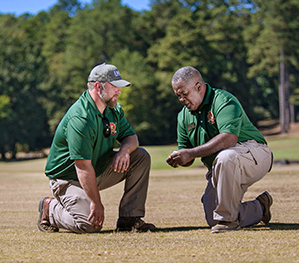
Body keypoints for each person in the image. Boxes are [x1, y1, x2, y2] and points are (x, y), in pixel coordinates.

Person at [38, 63, 156, 233]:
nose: (119, 91)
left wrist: (124, 151)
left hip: (96, 170)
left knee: (140, 157)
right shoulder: (81, 118)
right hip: (68, 179)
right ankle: (50, 210)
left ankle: (129, 218)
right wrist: (96, 203)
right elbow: (82, 167)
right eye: (115, 86)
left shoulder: (113, 109)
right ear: (98, 86)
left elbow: (131, 138)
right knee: (89, 225)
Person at [166, 66, 273, 233]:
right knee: (213, 217)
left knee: (226, 157)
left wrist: (191, 153)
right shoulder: (183, 116)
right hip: (222, 167)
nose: (181, 99)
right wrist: (180, 159)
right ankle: (260, 207)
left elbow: (230, 138)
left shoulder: (223, 100)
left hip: (254, 153)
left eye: (184, 94)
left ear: (198, 87)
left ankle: (228, 222)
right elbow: (188, 157)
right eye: (178, 96)